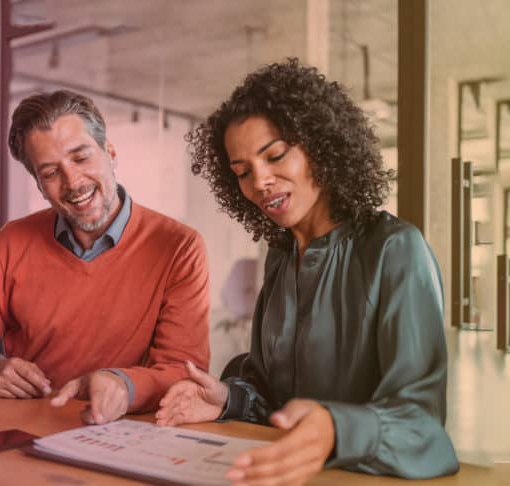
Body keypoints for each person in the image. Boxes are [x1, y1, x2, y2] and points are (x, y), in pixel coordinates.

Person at [155, 59, 459, 483]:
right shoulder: (280, 256)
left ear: (319, 145)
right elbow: (271, 395)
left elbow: (422, 428)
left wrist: (335, 429)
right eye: (242, 172)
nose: (260, 181)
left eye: (275, 155)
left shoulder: (394, 249)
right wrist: (226, 399)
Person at [0, 89, 210, 425]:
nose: (73, 182)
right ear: (38, 184)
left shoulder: (179, 247)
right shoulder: (11, 242)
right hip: (20, 429)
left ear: (110, 152)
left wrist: (124, 384)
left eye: (81, 158)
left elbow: (184, 370)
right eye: (50, 173)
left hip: (119, 431)